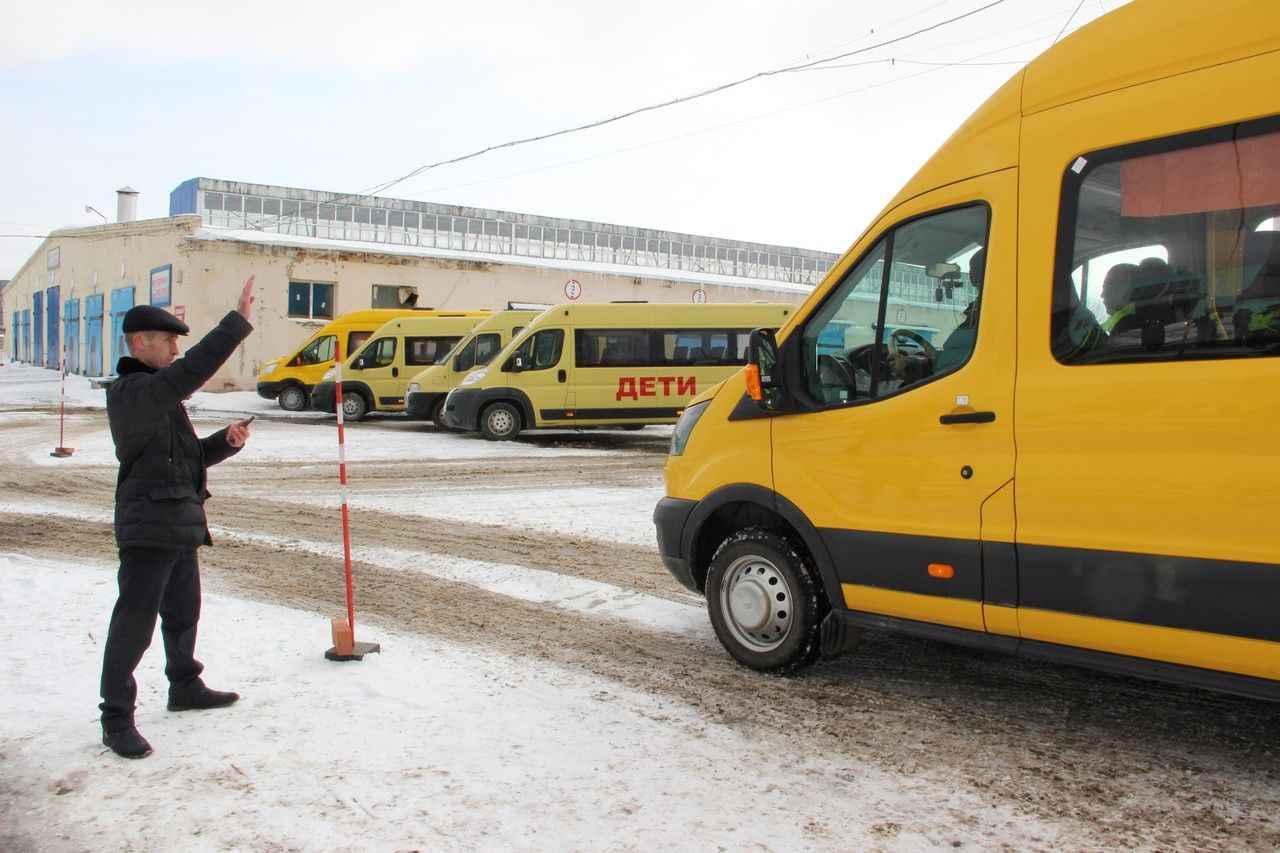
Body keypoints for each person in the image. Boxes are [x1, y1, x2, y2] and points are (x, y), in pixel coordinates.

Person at [99, 276, 257, 759]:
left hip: (181, 525)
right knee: (134, 625)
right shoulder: (132, 393)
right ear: (140, 343)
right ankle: (116, 718)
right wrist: (237, 324)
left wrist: (222, 444)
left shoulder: (164, 403)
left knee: (184, 614)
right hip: (148, 528)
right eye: (167, 341)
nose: (173, 349)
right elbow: (187, 373)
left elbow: (186, 461)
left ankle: (184, 685)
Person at [1100, 262, 1140, 333]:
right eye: (1104, 287)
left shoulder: (1124, 327)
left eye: (1110, 287)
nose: (1102, 295)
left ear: (1131, 289)